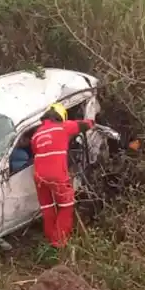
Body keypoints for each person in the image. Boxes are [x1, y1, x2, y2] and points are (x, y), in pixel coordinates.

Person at [30, 103, 94, 248]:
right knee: (66, 205)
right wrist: (93, 122)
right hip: (57, 175)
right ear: (61, 117)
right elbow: (83, 125)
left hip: (39, 176)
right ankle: (59, 242)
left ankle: (50, 237)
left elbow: (38, 150)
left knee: (48, 207)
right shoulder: (63, 127)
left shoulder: (36, 134)